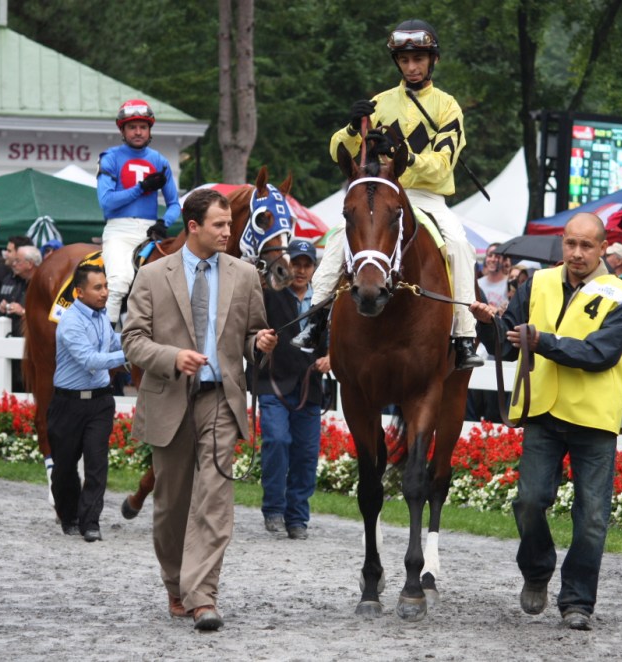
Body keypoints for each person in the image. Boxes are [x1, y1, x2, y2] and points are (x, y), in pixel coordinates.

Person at [469, 212, 622, 631]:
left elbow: (598, 354)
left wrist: (541, 341)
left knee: (593, 516)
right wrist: (488, 323)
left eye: (587, 246)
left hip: (593, 418)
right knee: (529, 502)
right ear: (562, 244)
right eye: (571, 244)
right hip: (542, 410)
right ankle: (537, 570)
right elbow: (507, 345)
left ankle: (577, 601)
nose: (577, 253)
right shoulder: (537, 284)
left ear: (603, 249)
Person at [122, 188, 278, 631]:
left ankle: (203, 595)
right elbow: (132, 340)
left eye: (229, 224)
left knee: (215, 498)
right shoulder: (152, 275)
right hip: (169, 397)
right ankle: (176, 586)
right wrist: (173, 357)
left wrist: (259, 344)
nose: (229, 232)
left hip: (220, 400)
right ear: (193, 227)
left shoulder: (246, 275)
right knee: (172, 504)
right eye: (219, 225)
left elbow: (251, 336)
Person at [294, 19, 482, 370]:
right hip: (382, 193)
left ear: (433, 60)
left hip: (427, 197)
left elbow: (442, 165)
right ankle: (315, 321)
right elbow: (340, 150)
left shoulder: (447, 107)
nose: (412, 67)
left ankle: (463, 334)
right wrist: (352, 129)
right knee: (337, 241)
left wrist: (405, 155)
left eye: (419, 59)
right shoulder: (379, 103)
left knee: (458, 245)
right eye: (405, 60)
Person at [251, 239, 329, 540]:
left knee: (306, 454)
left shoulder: (323, 301)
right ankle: (273, 507)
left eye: (306, 264)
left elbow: (333, 337)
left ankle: (297, 517)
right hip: (273, 382)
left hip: (309, 386)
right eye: (296, 263)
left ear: (313, 268)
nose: (300, 270)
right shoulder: (270, 295)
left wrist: (331, 357)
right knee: (277, 440)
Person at [48, 263, 125, 543]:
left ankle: (91, 521)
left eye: (105, 286)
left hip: (100, 402)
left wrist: (136, 343)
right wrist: (130, 354)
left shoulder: (102, 317)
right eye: (98, 288)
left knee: (97, 462)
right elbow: (91, 360)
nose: (105, 293)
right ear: (80, 292)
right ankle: (69, 515)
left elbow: (112, 345)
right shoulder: (70, 322)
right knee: (65, 467)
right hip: (68, 405)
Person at [97, 99, 182, 324]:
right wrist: (141, 188)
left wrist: (164, 223)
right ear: (122, 130)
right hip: (119, 231)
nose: (138, 132)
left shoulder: (159, 161)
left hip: (150, 234)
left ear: (149, 130)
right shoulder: (110, 157)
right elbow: (106, 202)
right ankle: (104, 345)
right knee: (118, 283)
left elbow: (175, 203)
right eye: (132, 127)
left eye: (143, 127)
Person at [0, 245, 42, 391]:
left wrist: (22, 311)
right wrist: (5, 307)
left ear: (29, 264)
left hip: (34, 346)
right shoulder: (18, 281)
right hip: (15, 342)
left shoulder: (43, 283)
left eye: (18, 261)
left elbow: (47, 315)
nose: (13, 264)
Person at [478, 243, 509, 312]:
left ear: (504, 260)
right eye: (490, 255)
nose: (492, 259)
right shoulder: (478, 283)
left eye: (497, 256)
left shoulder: (510, 284)